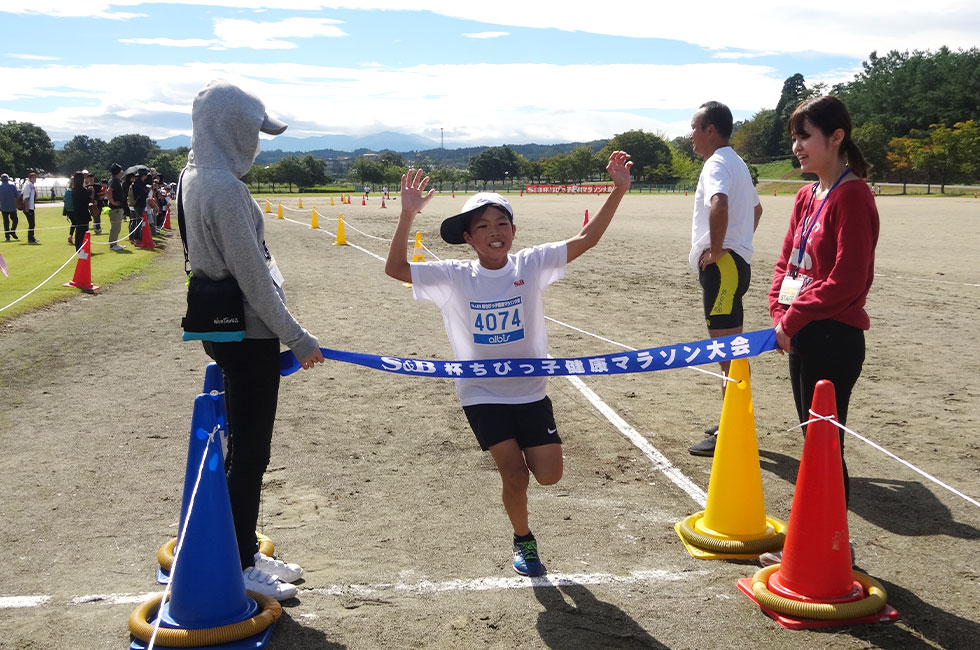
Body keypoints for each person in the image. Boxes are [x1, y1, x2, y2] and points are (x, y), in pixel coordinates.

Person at [384, 151, 633, 577]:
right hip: (481, 393)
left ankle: (525, 506)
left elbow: (586, 239)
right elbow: (395, 269)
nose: (493, 232)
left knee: (550, 475)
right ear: (469, 237)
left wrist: (619, 190)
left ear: (514, 231)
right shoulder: (454, 275)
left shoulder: (531, 265)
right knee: (515, 475)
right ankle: (524, 540)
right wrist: (407, 215)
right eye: (482, 226)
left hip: (531, 391)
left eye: (501, 224)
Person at [180, 79, 325, 601]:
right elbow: (253, 277)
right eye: (253, 131)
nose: (257, 143)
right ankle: (239, 562)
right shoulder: (222, 186)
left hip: (225, 330)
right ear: (232, 128)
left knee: (244, 448)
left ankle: (243, 545)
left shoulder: (192, 175)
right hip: (249, 334)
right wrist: (298, 337)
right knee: (250, 453)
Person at [765, 96, 878, 536]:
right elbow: (785, 266)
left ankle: (828, 548)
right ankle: (811, 547)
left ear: (836, 138)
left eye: (805, 136)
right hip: (802, 333)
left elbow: (847, 282)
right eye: (794, 136)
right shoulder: (806, 194)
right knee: (814, 444)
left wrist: (790, 321)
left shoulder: (852, 196)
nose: (796, 145)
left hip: (833, 338)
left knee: (825, 447)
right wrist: (780, 311)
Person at [686, 101, 763, 457]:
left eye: (694, 128)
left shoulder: (716, 163)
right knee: (730, 348)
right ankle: (731, 420)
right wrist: (740, 246)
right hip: (734, 264)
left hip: (724, 269)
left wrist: (719, 250)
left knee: (726, 351)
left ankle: (731, 432)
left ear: (710, 130)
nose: (691, 136)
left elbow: (719, 202)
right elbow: (757, 209)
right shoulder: (737, 162)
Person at [70, 171, 92, 251]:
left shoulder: (74, 190)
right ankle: (82, 247)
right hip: (83, 213)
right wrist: (90, 191)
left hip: (76, 213)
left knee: (78, 231)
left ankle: (78, 247)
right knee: (83, 231)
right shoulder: (82, 190)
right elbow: (87, 199)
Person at [106, 163, 126, 251]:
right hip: (116, 208)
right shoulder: (115, 180)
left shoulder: (114, 180)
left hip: (117, 207)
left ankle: (114, 243)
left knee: (116, 226)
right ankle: (113, 244)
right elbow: (109, 191)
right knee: (115, 226)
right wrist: (113, 202)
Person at [130, 168, 149, 244]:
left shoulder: (135, 183)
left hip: (136, 204)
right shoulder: (140, 184)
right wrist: (147, 190)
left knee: (135, 221)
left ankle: (133, 236)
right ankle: (137, 238)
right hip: (139, 204)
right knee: (139, 222)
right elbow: (143, 194)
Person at [22, 172, 39, 243]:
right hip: (28, 208)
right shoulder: (28, 185)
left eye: (35, 177)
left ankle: (31, 237)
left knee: (32, 224)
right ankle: (30, 238)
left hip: (31, 207)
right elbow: (26, 198)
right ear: (30, 178)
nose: (35, 179)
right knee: (31, 223)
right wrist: (26, 209)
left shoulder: (32, 186)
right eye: (33, 178)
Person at [0, 174, 18, 241]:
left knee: (6, 222)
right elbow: (16, 195)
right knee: (15, 220)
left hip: (3, 207)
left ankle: (7, 236)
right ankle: (12, 230)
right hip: (12, 206)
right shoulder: (12, 186)